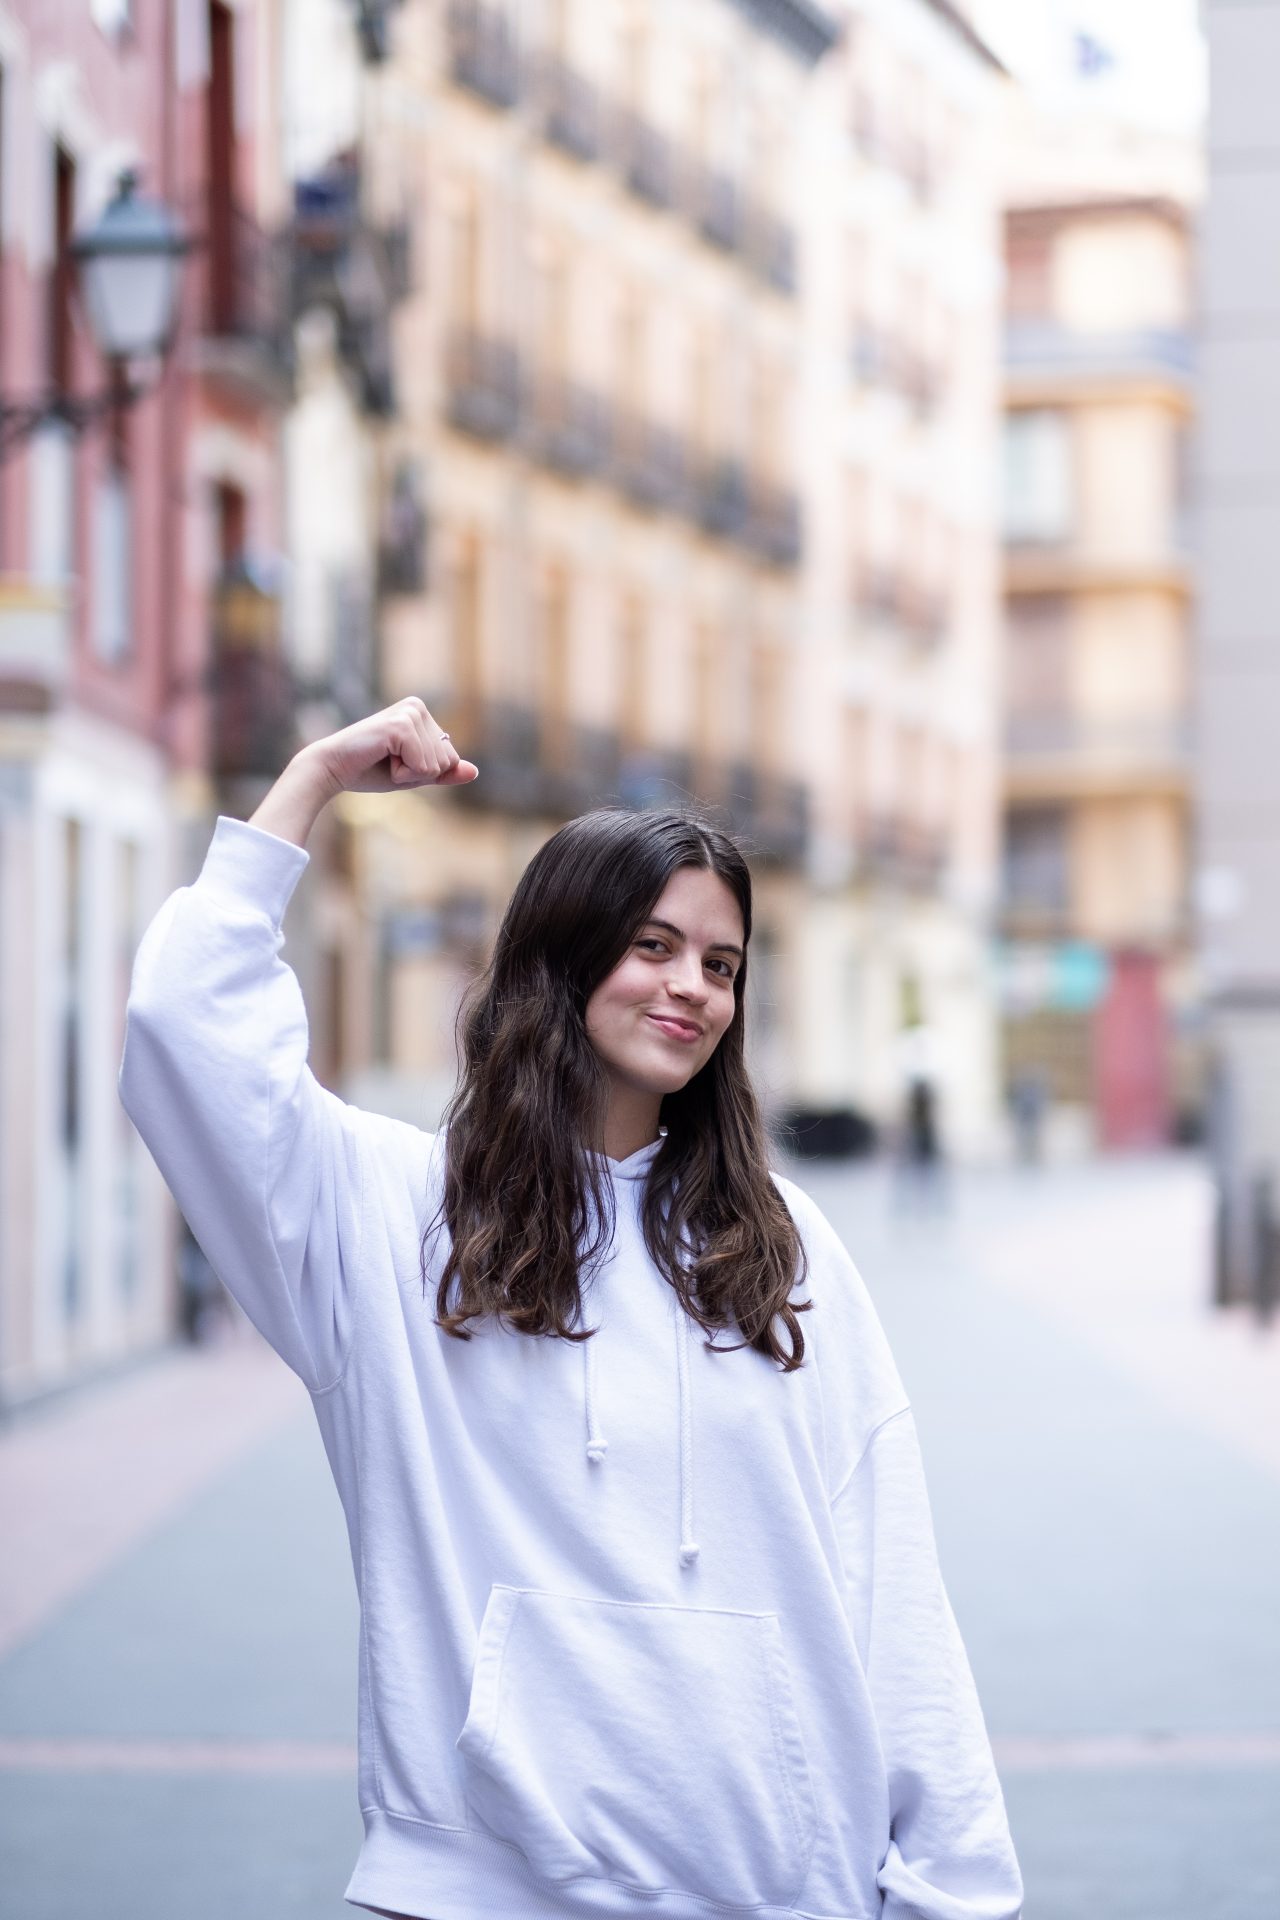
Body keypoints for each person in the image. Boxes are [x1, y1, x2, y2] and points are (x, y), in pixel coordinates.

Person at [118, 697, 1023, 1920]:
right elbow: (188, 1034)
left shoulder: (785, 1245)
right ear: (561, 956)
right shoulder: (395, 1219)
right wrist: (308, 784)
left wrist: (952, 1890)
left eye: (721, 964)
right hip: (476, 1886)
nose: (691, 989)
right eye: (651, 946)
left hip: (776, 1891)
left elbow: (889, 1583)